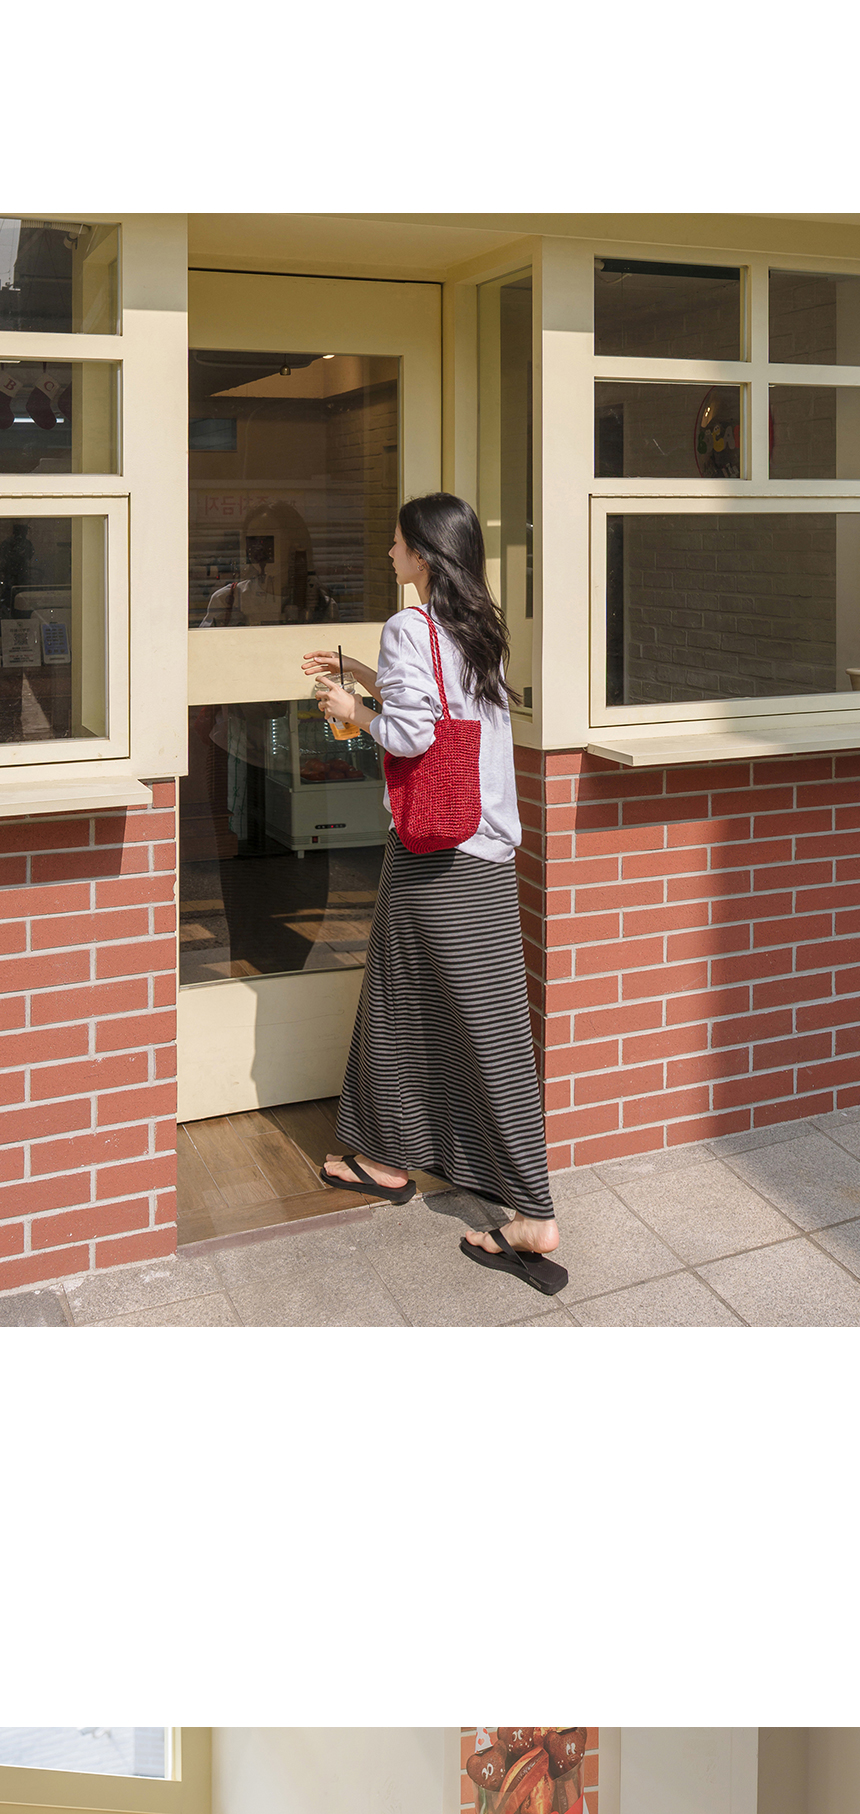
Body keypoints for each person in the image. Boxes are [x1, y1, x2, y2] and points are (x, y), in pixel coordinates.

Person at [302, 494, 567, 1300]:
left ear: (423, 553)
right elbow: (447, 709)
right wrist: (369, 678)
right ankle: (388, 1156)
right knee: (427, 1002)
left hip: (437, 854)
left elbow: (415, 733)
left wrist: (352, 710)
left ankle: (532, 1213)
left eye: (396, 544)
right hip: (483, 855)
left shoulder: (408, 625)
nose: (390, 554)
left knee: (442, 1012)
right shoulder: (475, 625)